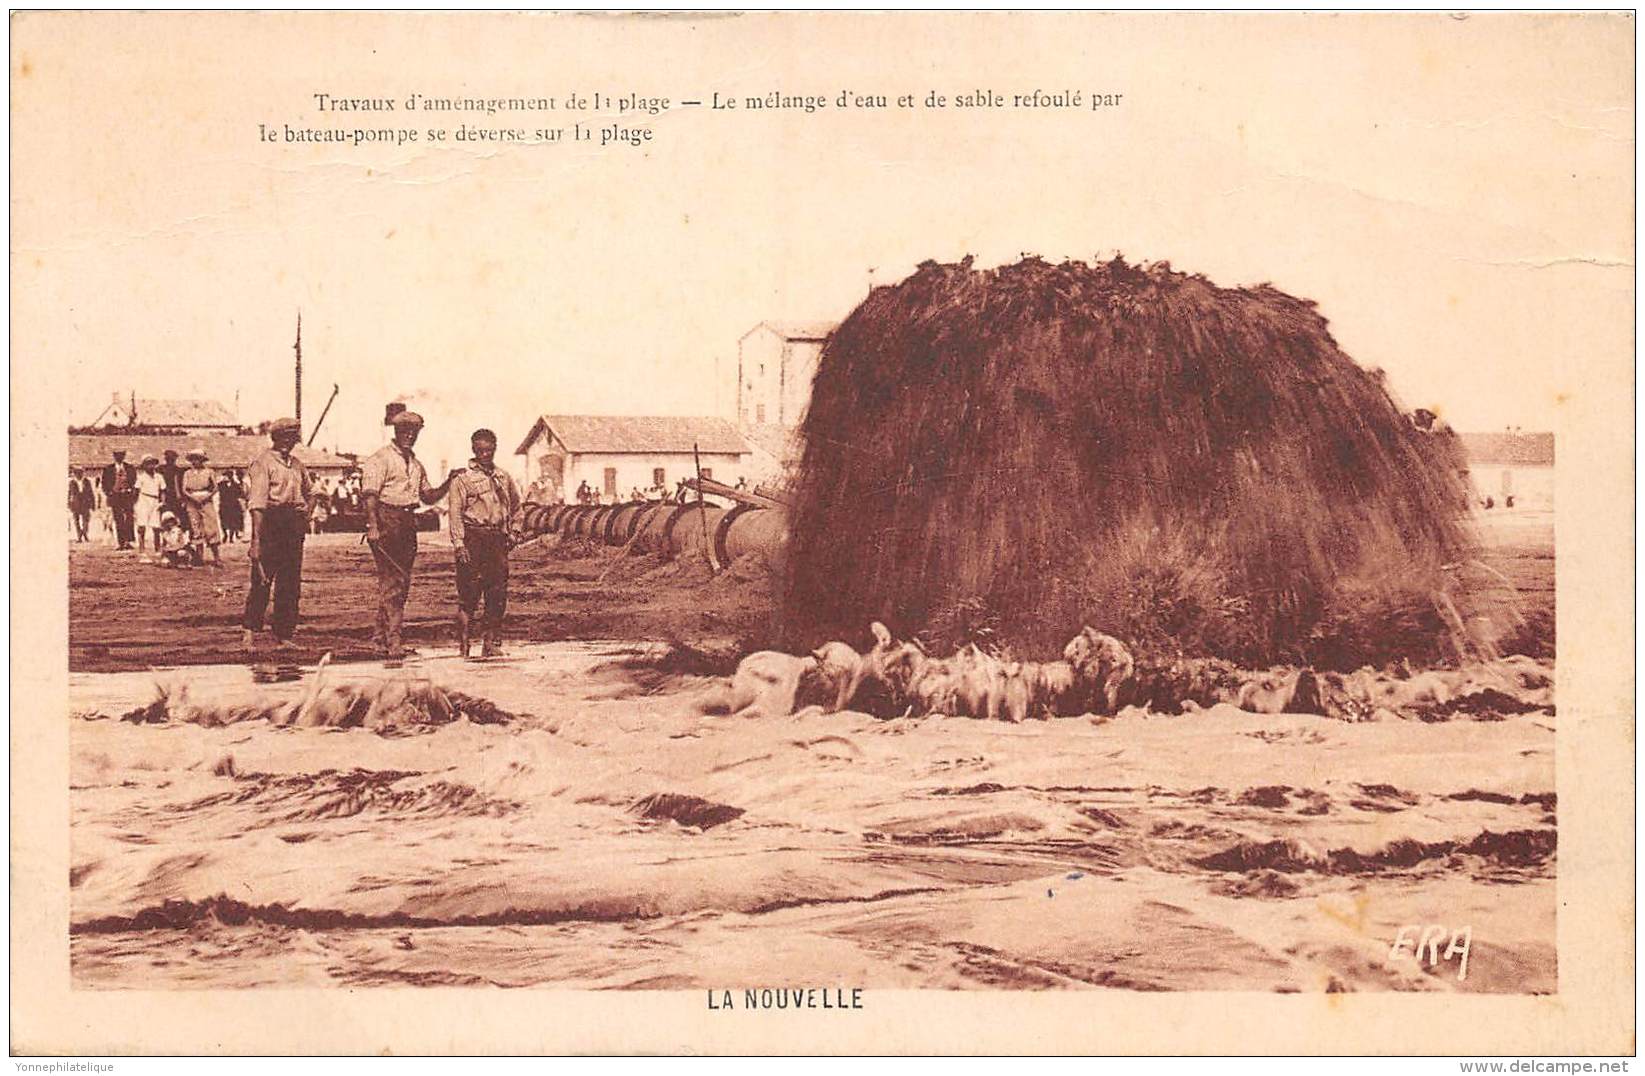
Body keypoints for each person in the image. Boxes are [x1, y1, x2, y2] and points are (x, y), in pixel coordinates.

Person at [360, 411, 460, 660]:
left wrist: (449, 481)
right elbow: (370, 496)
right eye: (405, 431)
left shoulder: (416, 464)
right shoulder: (379, 459)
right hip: (386, 520)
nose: (409, 436)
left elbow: (428, 496)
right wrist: (372, 526)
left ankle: (380, 638)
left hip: (407, 523)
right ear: (396, 431)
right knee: (393, 582)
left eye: (414, 432)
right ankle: (393, 642)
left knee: (399, 583)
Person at [448, 429, 524, 658]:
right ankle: (464, 645)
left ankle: (490, 643)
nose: (485, 454)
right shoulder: (462, 479)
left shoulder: (503, 477)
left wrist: (515, 533)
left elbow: (517, 507)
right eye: (480, 450)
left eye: (489, 450)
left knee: (497, 594)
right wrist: (459, 544)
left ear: (495, 448)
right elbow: (455, 513)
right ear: (473, 450)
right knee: (469, 595)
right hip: (473, 538)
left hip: (496, 540)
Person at [242, 418, 313, 650]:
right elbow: (258, 504)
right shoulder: (262, 463)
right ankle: (249, 633)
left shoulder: (297, 464)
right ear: (274, 438)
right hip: (270, 522)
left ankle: (283, 634)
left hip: (293, 524)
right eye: (283, 438)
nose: (287, 443)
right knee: (262, 579)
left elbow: (311, 492)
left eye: (291, 439)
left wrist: (306, 515)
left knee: (290, 582)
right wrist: (256, 540)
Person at [181, 446, 223, 566]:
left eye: (198, 459)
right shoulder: (187, 473)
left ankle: (217, 557)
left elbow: (215, 487)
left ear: (202, 460)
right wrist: (193, 498)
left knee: (211, 527)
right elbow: (184, 489)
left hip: (206, 499)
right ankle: (199, 557)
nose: (195, 462)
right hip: (192, 500)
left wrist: (206, 497)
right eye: (193, 459)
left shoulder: (209, 472)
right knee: (196, 527)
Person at [101, 449, 138, 549]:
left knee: (129, 518)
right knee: (119, 519)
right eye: (117, 455)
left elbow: (134, 481)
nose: (119, 457)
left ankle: (129, 541)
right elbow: (104, 484)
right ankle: (121, 542)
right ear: (114, 456)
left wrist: (131, 491)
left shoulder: (130, 468)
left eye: (121, 455)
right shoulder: (108, 469)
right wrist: (109, 493)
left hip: (127, 496)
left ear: (124, 456)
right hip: (115, 496)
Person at [134, 454, 165, 554]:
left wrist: (162, 502)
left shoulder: (159, 477)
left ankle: (157, 548)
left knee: (156, 526)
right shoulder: (141, 477)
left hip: (155, 500)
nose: (151, 466)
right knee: (142, 526)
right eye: (148, 464)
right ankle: (142, 548)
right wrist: (135, 504)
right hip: (143, 500)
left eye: (152, 464)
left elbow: (163, 490)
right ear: (144, 466)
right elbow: (136, 491)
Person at [218, 470, 244, 543]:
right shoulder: (221, 485)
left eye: (229, 475)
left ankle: (231, 537)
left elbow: (240, 493)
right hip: (224, 505)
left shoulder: (236, 485)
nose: (228, 477)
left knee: (232, 522)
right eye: (226, 475)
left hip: (233, 505)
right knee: (223, 521)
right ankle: (225, 534)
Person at [68, 470, 94, 542]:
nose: (79, 475)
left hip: (85, 504)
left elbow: (91, 493)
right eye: (77, 474)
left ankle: (84, 533)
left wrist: (93, 504)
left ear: (82, 474)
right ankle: (79, 536)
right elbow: (69, 494)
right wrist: (69, 504)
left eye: (80, 473)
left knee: (86, 520)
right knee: (76, 522)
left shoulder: (87, 481)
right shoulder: (71, 483)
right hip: (75, 504)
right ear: (75, 474)